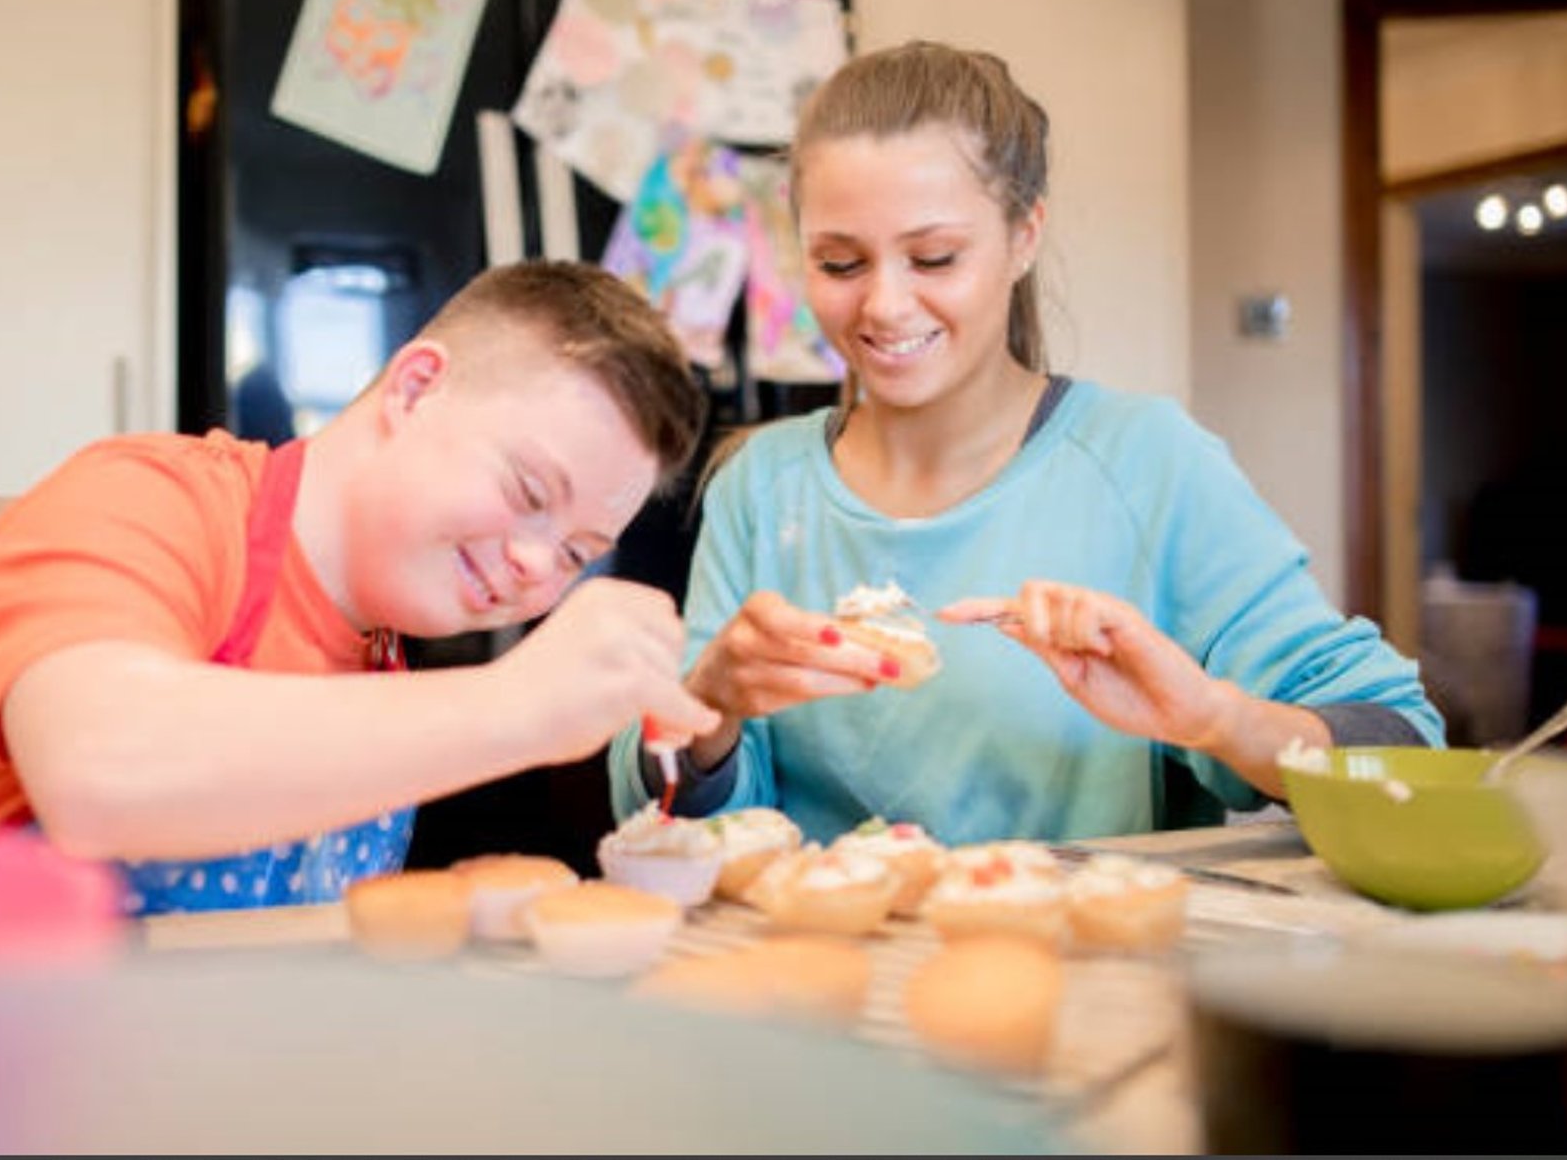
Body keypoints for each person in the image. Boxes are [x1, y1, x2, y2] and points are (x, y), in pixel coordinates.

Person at [608, 42, 1441, 845]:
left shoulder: (1147, 464)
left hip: (1087, 980)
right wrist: (707, 707)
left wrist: (1215, 720)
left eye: (934, 257)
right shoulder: (762, 485)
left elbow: (1404, 749)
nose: (885, 306)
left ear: (1024, 236)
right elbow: (676, 816)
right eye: (839, 263)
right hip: (823, 974)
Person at [0, 260, 719, 910]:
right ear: (414, 387)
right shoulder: (149, 499)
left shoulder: (382, 639)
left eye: (576, 552)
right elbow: (101, 771)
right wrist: (519, 704)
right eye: (528, 493)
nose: (535, 566)